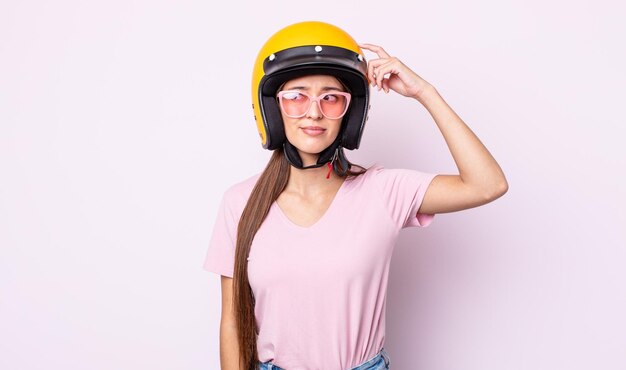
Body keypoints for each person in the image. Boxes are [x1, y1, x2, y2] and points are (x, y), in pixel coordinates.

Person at [202, 21, 508, 370]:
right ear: (272, 109)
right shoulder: (239, 202)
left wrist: (425, 92)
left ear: (351, 112)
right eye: (296, 96)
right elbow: (231, 321)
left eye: (331, 97)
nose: (314, 112)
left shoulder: (383, 191)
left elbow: (487, 184)